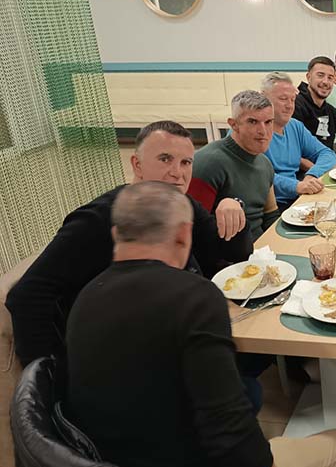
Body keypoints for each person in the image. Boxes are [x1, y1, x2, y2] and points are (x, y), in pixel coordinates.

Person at [66, 181, 336, 467]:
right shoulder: (194, 297)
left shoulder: (83, 302)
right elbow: (229, 428)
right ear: (184, 235)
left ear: (116, 234)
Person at [5, 120, 251, 367]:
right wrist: (50, 376)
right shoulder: (96, 220)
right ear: (137, 164)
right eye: (165, 159)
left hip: (182, 331)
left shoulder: (182, 205)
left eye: (186, 162)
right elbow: (27, 295)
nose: (178, 173)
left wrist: (232, 207)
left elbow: (234, 253)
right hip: (128, 358)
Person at [189, 90, 279, 242]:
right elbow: (193, 231)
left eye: (268, 122)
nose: (263, 131)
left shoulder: (265, 163)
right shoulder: (208, 163)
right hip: (228, 253)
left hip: (263, 248)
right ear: (234, 125)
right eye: (253, 122)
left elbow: (271, 215)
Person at [261, 72, 336, 210]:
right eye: (283, 99)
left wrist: (312, 174)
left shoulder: (294, 126)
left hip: (297, 198)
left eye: (293, 99)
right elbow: (258, 176)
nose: (290, 106)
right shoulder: (254, 132)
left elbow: (327, 153)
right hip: (271, 206)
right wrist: (297, 186)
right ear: (264, 98)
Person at [294, 56, 336, 155]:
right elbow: (293, 152)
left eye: (330, 78)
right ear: (308, 77)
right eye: (320, 75)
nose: (325, 82)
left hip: (329, 159)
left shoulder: (327, 109)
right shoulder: (295, 106)